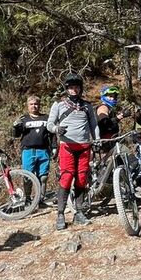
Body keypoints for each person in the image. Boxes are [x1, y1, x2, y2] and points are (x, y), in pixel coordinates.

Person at [47, 73, 99, 230]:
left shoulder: (87, 106)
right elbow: (49, 124)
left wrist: (96, 140)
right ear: (66, 89)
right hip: (67, 146)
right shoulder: (59, 105)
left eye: (76, 87)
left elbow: (93, 124)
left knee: (82, 179)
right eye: (70, 87)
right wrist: (57, 129)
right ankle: (61, 214)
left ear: (80, 88)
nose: (74, 90)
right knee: (67, 177)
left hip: (84, 147)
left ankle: (79, 212)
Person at [12, 95, 54, 204]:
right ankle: (28, 199)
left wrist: (54, 147)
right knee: (28, 176)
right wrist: (16, 127)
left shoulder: (47, 118)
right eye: (31, 104)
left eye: (36, 104)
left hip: (43, 150)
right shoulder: (23, 119)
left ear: (39, 105)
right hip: (28, 151)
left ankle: (41, 199)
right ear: (27, 106)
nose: (34, 106)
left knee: (43, 177)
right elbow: (16, 135)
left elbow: (52, 134)